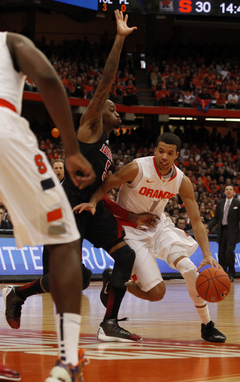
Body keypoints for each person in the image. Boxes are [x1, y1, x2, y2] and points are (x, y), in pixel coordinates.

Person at [3, 11, 143, 344]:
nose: (116, 111)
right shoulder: (90, 128)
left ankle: (109, 323)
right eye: (111, 107)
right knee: (73, 278)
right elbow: (105, 84)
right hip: (66, 203)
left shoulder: (108, 144)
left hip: (91, 207)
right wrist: (120, 39)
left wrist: (99, 203)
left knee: (126, 256)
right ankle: (18, 294)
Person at [0, 30, 96, 382]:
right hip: (3, 129)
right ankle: (69, 360)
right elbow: (50, 80)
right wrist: (71, 150)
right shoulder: (9, 42)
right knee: (64, 237)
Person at [74, 132, 226, 343]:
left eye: (170, 153)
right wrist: (92, 202)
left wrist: (207, 254)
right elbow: (105, 186)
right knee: (156, 293)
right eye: (161, 151)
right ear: (155, 150)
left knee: (190, 269)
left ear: (176, 156)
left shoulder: (182, 181)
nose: (164, 156)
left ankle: (207, 326)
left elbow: (198, 222)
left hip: (160, 227)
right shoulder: (137, 168)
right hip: (132, 231)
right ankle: (117, 283)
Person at [207, 184, 240, 282]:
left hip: (233, 232)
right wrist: (208, 227)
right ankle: (223, 274)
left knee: (229, 252)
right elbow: (216, 218)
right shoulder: (220, 203)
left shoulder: (237, 203)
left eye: (230, 189)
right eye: (227, 189)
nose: (229, 191)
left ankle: (231, 274)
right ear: (224, 192)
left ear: (234, 192)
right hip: (222, 231)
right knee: (221, 254)